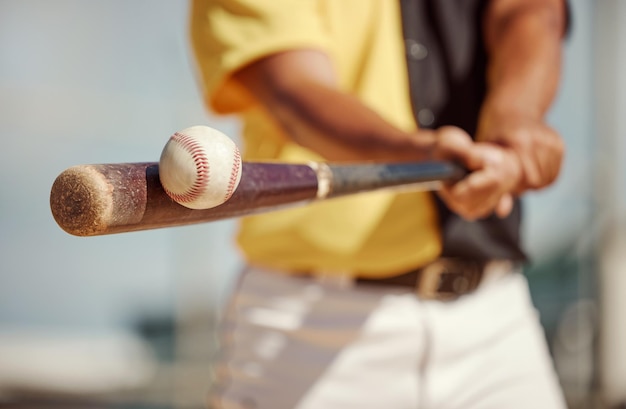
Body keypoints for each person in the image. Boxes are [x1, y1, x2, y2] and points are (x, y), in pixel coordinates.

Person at [189, 0, 569, 407]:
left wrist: (517, 114)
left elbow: (529, 10)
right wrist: (415, 152)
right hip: (311, 324)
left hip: (494, 316)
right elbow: (296, 91)